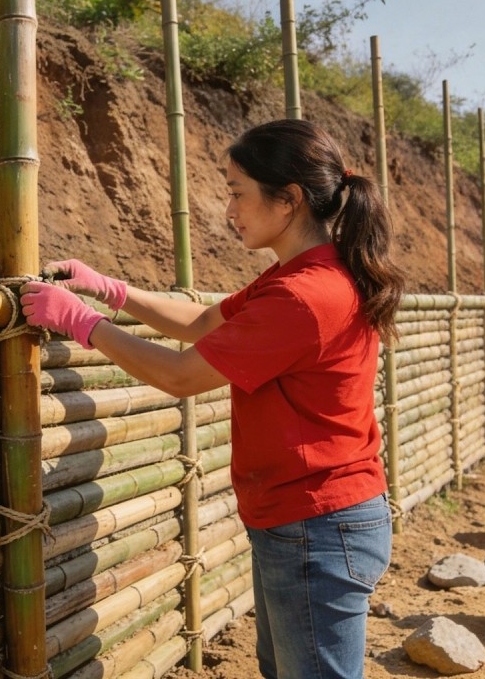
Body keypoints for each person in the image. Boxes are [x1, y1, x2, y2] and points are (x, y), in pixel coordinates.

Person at [20, 118, 404, 679]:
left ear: (289, 199)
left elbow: (181, 375)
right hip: (307, 519)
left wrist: (83, 323)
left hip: (317, 525)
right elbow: (202, 322)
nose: (228, 210)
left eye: (236, 193)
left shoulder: (303, 296)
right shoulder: (299, 276)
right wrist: (109, 288)